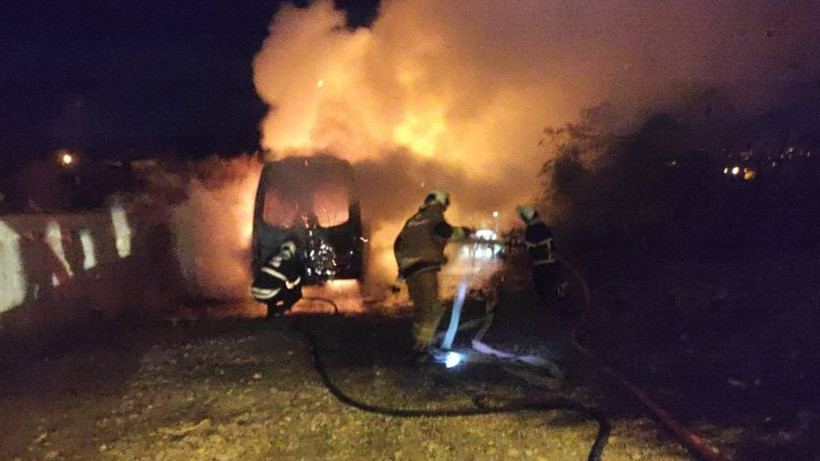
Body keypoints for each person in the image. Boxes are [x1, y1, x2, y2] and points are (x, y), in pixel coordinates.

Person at [394, 189, 473, 357]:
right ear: (440, 201)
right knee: (432, 310)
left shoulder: (413, 220)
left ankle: (419, 342)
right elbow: (443, 231)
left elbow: (398, 243)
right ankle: (422, 348)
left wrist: (401, 267)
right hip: (424, 270)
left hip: (410, 271)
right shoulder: (434, 213)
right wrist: (463, 232)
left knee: (420, 309)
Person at [516, 205, 570, 310]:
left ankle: (553, 305)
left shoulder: (533, 228)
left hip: (542, 263)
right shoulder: (542, 226)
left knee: (542, 284)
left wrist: (521, 244)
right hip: (548, 262)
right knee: (548, 283)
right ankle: (557, 301)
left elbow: (530, 245)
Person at [251, 240, 304, 319]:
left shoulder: (272, 256)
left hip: (255, 291)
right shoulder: (290, 260)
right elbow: (295, 280)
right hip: (268, 293)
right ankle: (280, 310)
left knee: (274, 284)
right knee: (296, 294)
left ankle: (271, 313)